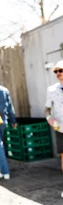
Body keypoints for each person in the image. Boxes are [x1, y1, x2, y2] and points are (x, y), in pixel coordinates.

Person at [44, 60, 63, 197]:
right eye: (55, 71)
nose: (58, 73)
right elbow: (47, 109)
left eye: (60, 70)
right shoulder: (51, 90)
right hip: (60, 128)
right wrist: (50, 118)